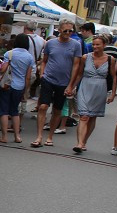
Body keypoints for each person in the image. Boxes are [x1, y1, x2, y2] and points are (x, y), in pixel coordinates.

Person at [31, 19, 82, 147]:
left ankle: (50, 136)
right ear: (59, 30)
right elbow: (44, 60)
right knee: (43, 106)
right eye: (65, 30)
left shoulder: (76, 45)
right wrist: (42, 74)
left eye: (71, 30)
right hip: (48, 78)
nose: (68, 33)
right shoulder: (50, 43)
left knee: (57, 110)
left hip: (64, 82)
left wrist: (71, 85)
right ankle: (39, 136)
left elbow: (76, 66)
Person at [72, 34, 117, 153]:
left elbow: (114, 77)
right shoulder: (85, 57)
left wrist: (112, 93)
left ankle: (84, 141)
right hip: (85, 87)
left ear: (104, 45)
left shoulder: (110, 59)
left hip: (100, 89)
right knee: (84, 116)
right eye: (93, 44)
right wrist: (73, 86)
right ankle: (79, 143)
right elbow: (80, 73)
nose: (95, 46)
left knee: (92, 117)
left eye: (98, 44)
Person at [0, 34, 34, 143]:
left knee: (4, 110)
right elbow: (28, 77)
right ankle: (17, 136)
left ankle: (4, 136)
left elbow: (3, 70)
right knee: (14, 111)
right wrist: (25, 90)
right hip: (20, 86)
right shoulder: (29, 57)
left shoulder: (9, 53)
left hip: (7, 85)